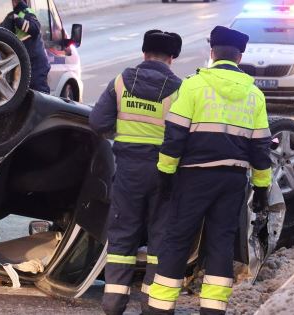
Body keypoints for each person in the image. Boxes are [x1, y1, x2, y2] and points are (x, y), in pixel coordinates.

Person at [147, 26, 272, 315]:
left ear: (212, 53)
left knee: (177, 239)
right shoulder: (254, 95)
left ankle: (160, 308)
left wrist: (165, 175)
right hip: (233, 180)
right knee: (221, 242)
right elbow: (261, 150)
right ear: (240, 57)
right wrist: (262, 189)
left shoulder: (193, 86)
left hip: (193, 177)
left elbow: (174, 136)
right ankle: (213, 309)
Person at [89, 30, 183, 315]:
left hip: (128, 171)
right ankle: (153, 305)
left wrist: (122, 134)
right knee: (160, 237)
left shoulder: (120, 82)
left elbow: (97, 122)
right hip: (164, 173)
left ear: (144, 53)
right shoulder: (179, 88)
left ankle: (113, 303)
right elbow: (184, 134)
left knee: (122, 236)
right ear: (172, 58)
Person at [0, 0, 51, 93]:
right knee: (28, 94)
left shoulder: (25, 11)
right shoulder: (10, 15)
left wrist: (17, 19)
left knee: (40, 93)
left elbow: (35, 27)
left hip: (36, 62)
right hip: (25, 62)